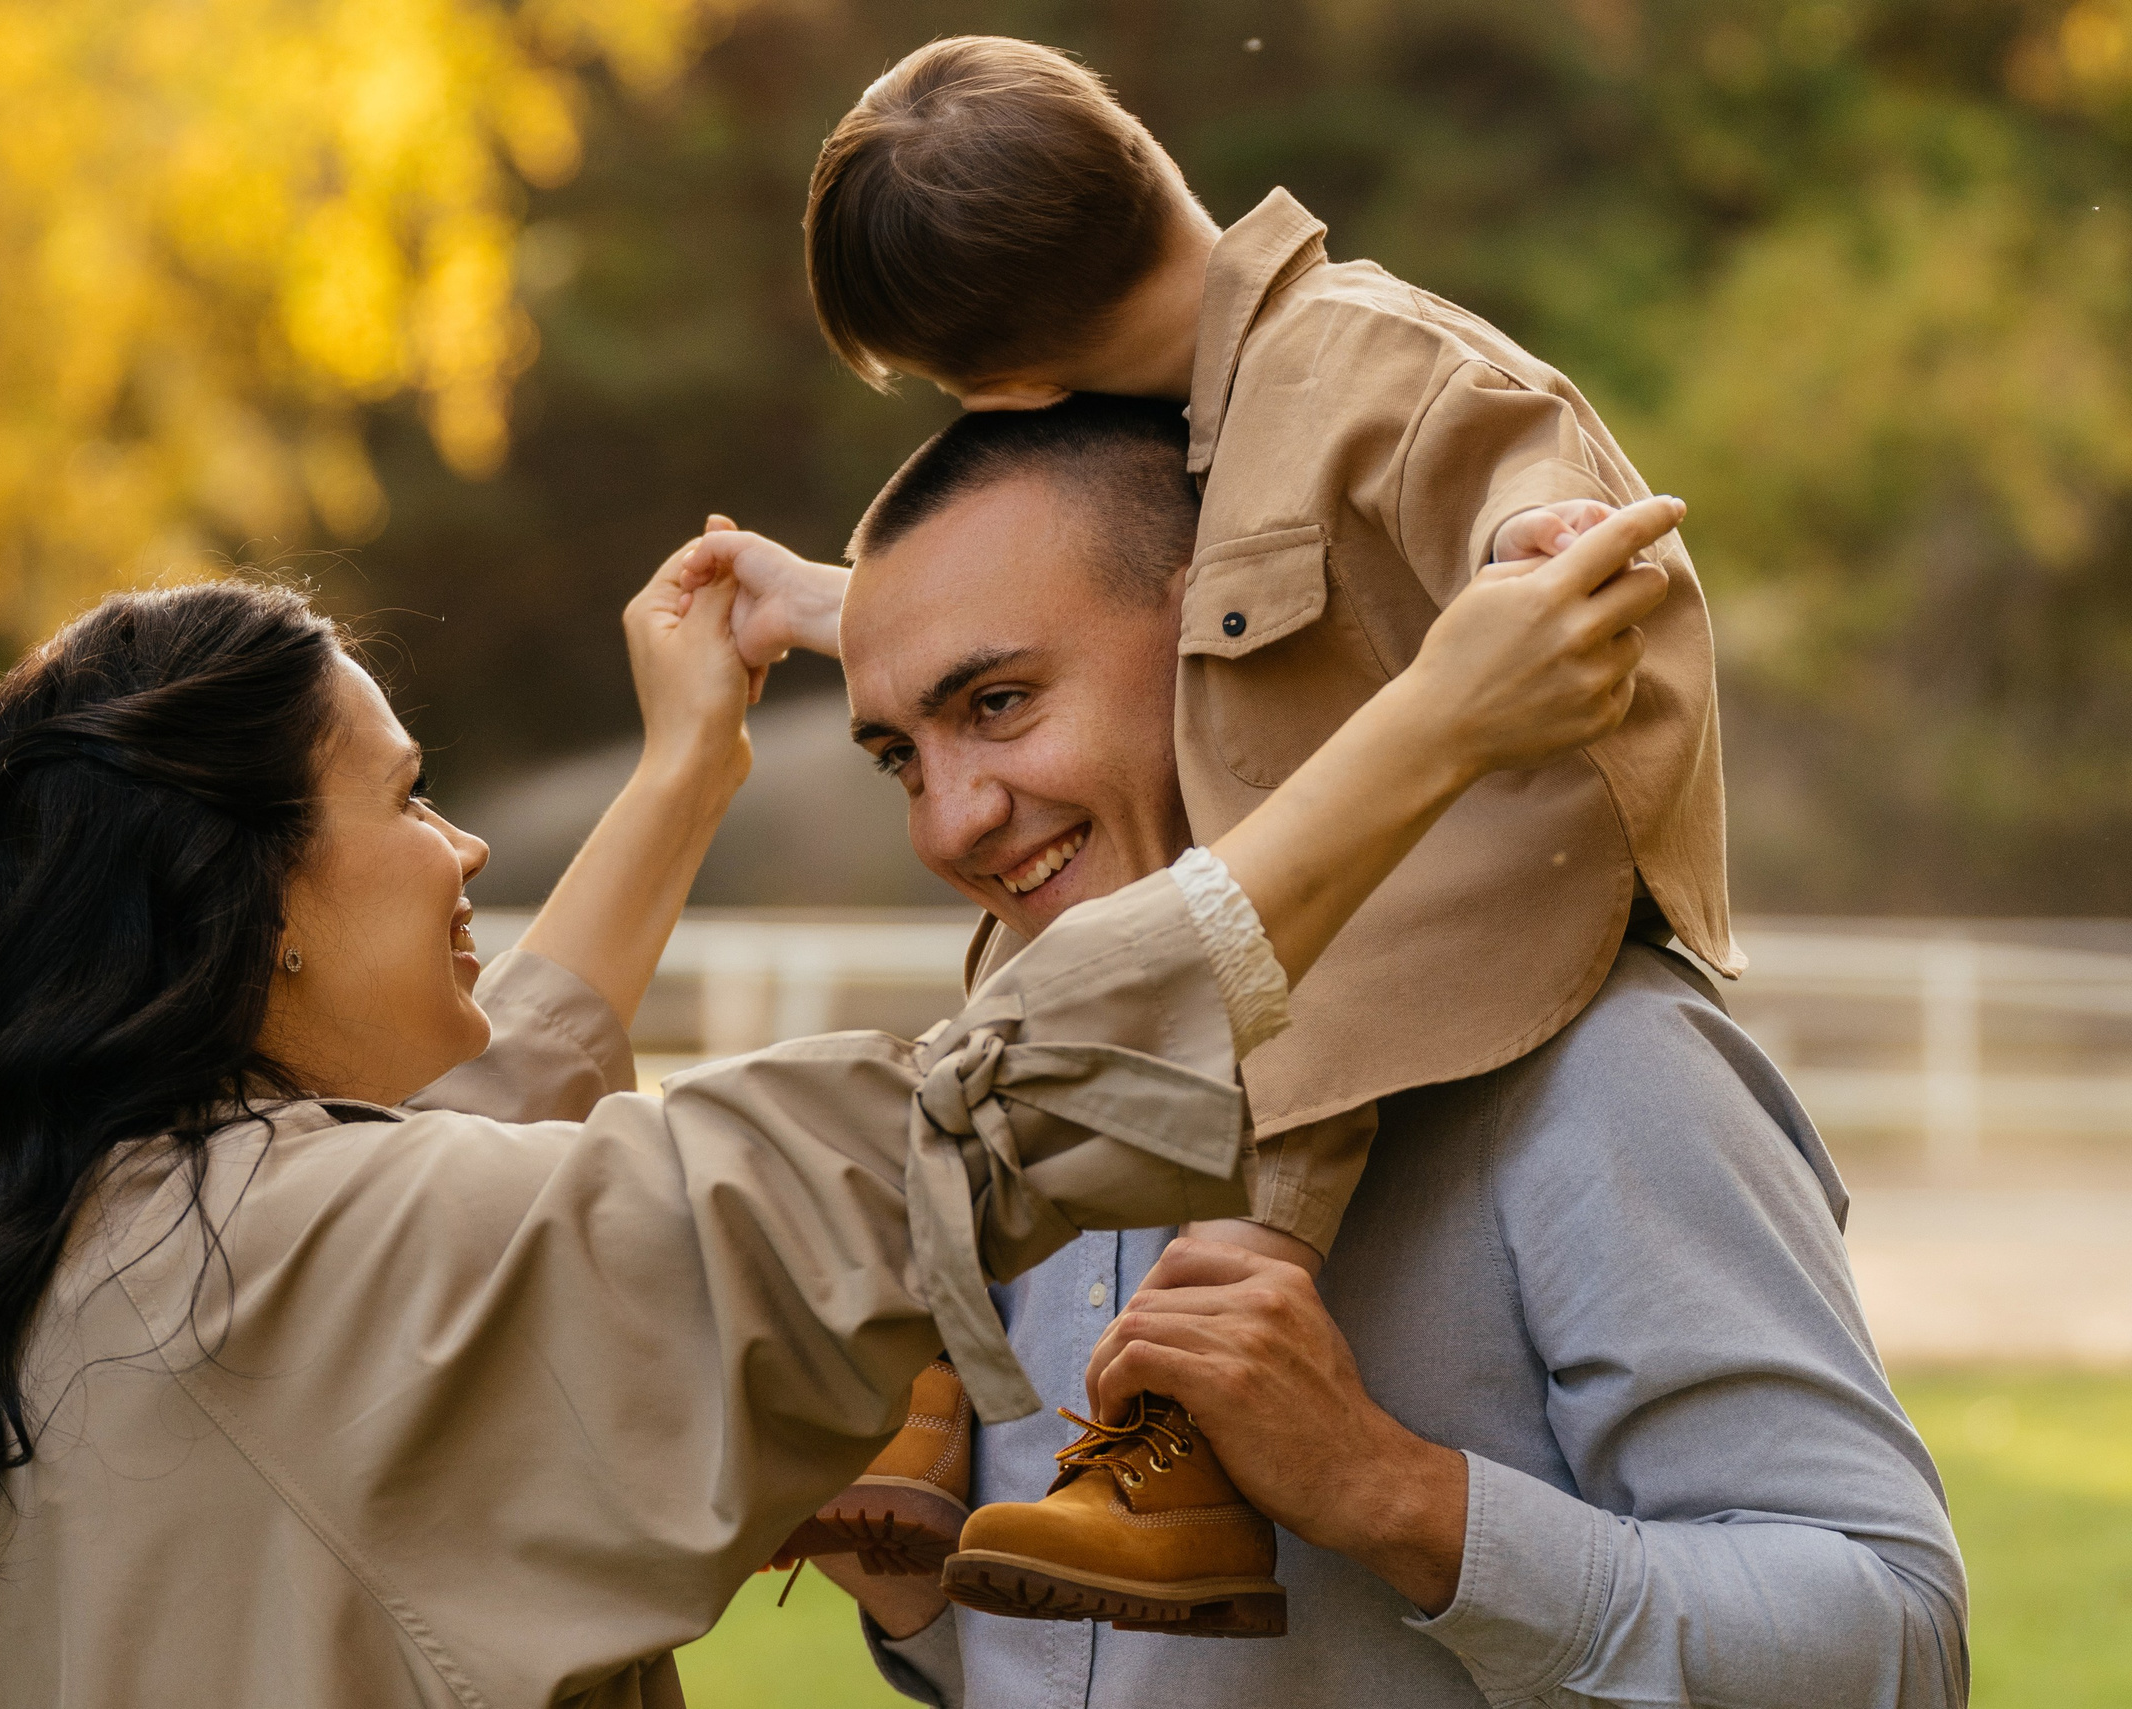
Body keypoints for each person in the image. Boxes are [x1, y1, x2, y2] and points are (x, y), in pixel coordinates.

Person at [0, 505, 1667, 1709]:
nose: (463, 844)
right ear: (256, 901)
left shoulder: (133, 1228)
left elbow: (495, 1117)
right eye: (408, 797)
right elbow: (929, 1142)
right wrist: (1436, 727)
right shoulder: (276, 1272)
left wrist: (686, 768)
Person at [690, 400, 1966, 1706]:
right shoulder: (1025, 1109)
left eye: (1001, 702)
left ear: (1223, 653)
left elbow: (1899, 1644)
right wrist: (916, 1583)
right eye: (903, 756)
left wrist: (1386, 1489)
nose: (952, 822)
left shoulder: (1601, 1062)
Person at [695, 29, 1735, 1617]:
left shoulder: (1376, 360)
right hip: (1345, 862)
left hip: (1488, 849)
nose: (954, 793)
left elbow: (1521, 488)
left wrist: (1532, 538)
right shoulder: (1191, 429)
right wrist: (831, 602)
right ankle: (920, 1380)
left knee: (1266, 1004)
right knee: (1041, 984)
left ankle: (1181, 1438)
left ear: (1005, 387)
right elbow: (1097, 631)